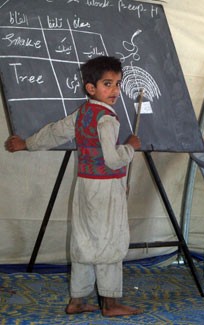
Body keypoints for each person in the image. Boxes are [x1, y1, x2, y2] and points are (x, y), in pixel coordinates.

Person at [5, 56, 142, 317]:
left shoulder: (84, 113)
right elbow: (113, 160)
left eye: (117, 84)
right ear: (91, 88)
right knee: (109, 241)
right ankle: (111, 304)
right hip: (105, 190)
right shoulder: (107, 119)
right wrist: (130, 147)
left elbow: (56, 131)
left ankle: (77, 301)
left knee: (85, 240)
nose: (114, 90)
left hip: (85, 187)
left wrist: (27, 143)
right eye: (107, 84)